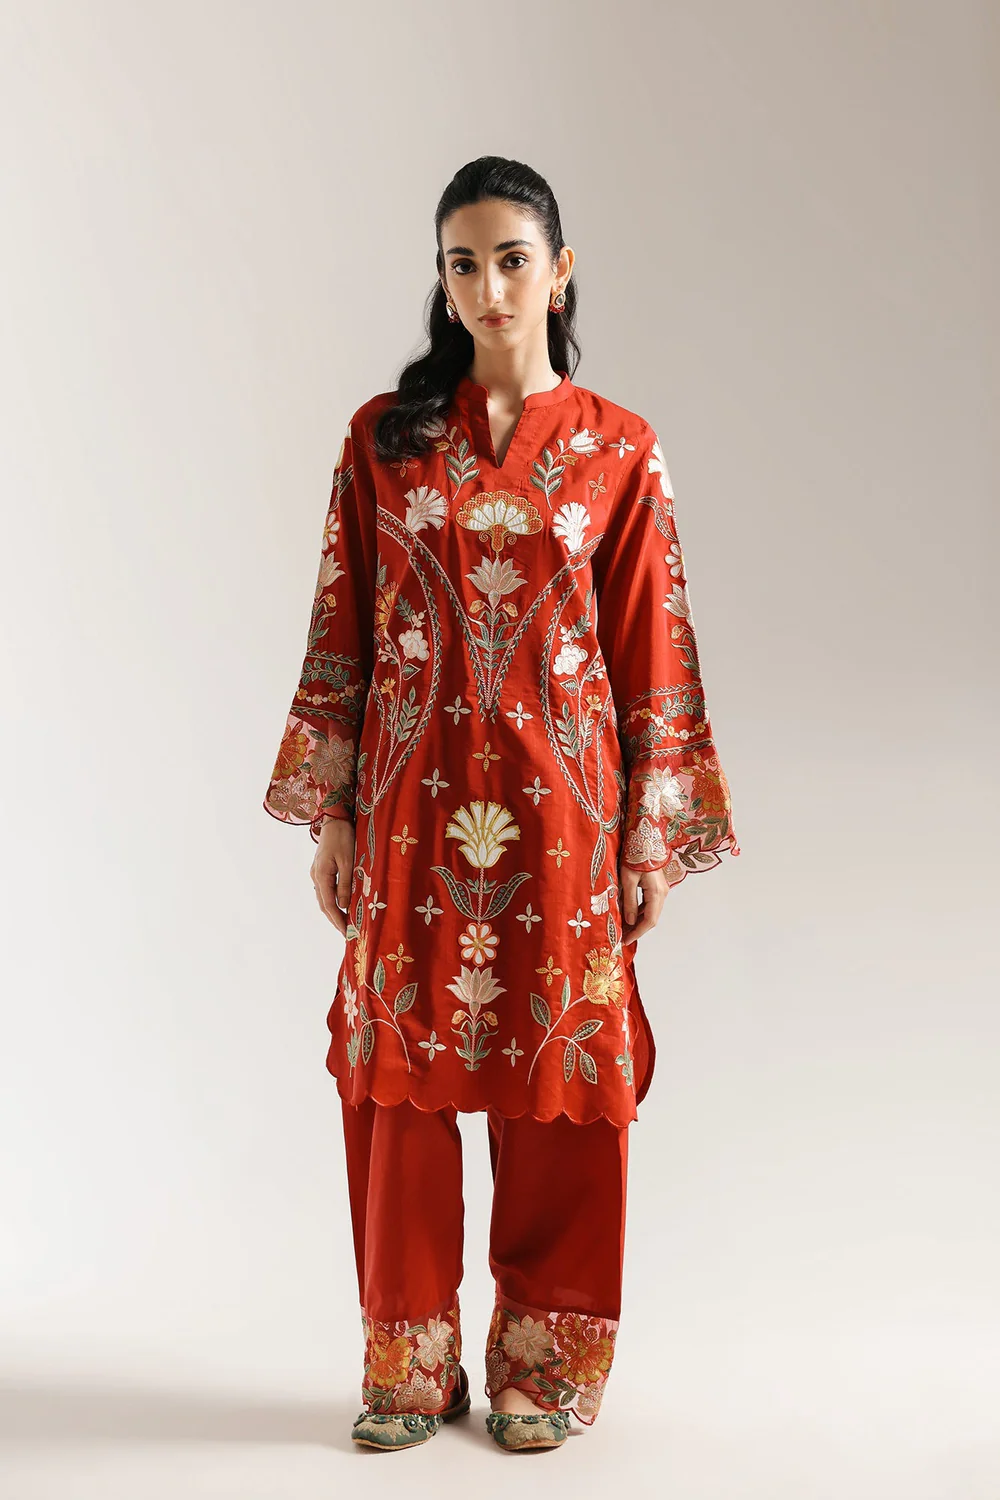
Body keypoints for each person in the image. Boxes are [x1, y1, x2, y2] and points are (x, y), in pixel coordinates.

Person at [263, 155, 740, 1454]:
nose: (487, 287)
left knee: (566, 1078)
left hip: (567, 815)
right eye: (462, 263)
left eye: (512, 260)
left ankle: (547, 1359)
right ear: (442, 278)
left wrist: (649, 834)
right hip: (411, 814)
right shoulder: (385, 440)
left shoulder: (619, 451)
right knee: (398, 1082)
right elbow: (343, 630)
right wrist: (335, 810)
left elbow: (652, 648)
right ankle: (410, 1361)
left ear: (560, 271)